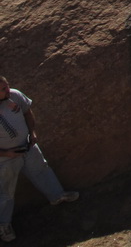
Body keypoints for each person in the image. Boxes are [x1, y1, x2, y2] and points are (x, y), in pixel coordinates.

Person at [0, 77, 77, 243]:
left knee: (41, 169)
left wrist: (32, 132)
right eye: (3, 89)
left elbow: (27, 112)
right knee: (5, 192)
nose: (8, 90)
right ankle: (3, 225)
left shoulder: (15, 95)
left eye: (7, 86)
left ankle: (57, 195)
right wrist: (7, 153)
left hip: (27, 146)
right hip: (5, 158)